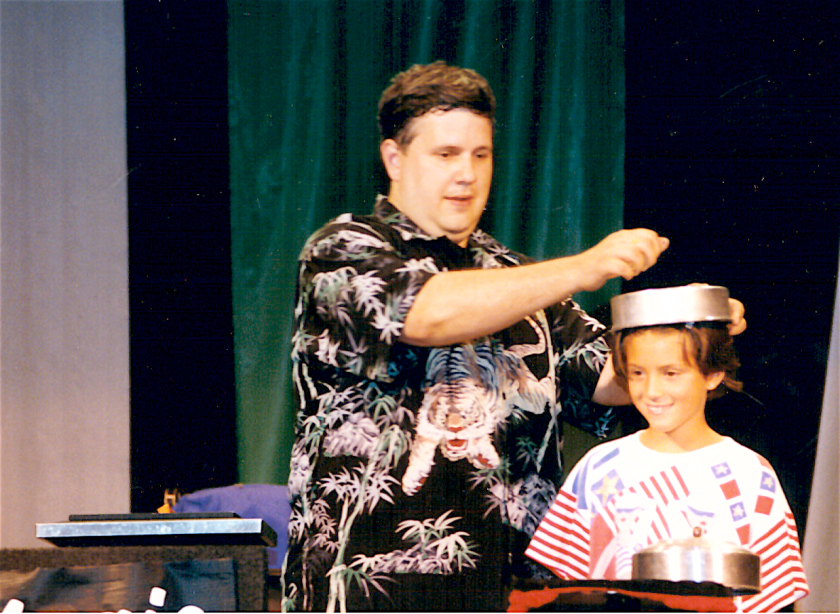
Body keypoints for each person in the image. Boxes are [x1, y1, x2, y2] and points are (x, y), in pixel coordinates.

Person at [280, 62, 745, 612]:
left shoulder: (518, 276)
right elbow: (424, 312)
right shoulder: (342, 251)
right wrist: (585, 267)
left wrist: (688, 328)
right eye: (446, 154)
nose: (467, 174)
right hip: (371, 593)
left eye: (481, 155)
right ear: (394, 159)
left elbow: (616, 378)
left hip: (512, 594)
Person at [524, 289, 807, 612]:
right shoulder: (599, 467)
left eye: (671, 373)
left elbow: (769, 597)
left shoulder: (751, 475)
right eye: (637, 373)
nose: (652, 391)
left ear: (713, 374)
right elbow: (571, 588)